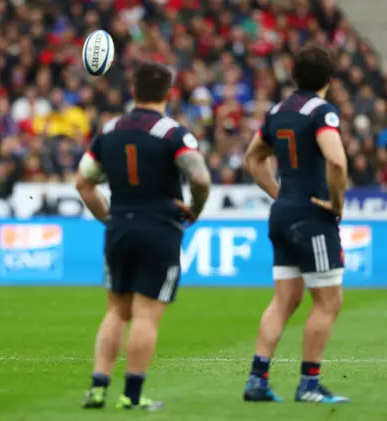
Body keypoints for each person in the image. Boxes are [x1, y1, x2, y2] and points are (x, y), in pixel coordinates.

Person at [75, 62, 211, 411]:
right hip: (159, 228)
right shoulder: (174, 133)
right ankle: (132, 396)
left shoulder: (110, 130)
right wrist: (195, 207)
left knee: (116, 311)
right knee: (146, 314)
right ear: (169, 93)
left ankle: (97, 388)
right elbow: (200, 178)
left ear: (133, 91)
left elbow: (84, 182)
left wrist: (109, 217)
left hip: (120, 227)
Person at [242, 43, 350, 403]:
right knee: (328, 300)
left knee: (285, 298)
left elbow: (253, 157)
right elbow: (336, 161)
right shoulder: (322, 112)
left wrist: (278, 193)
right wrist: (336, 203)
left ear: (294, 76)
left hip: (283, 212)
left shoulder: (278, 111)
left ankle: (257, 380)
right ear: (329, 79)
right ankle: (309, 384)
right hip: (312, 215)